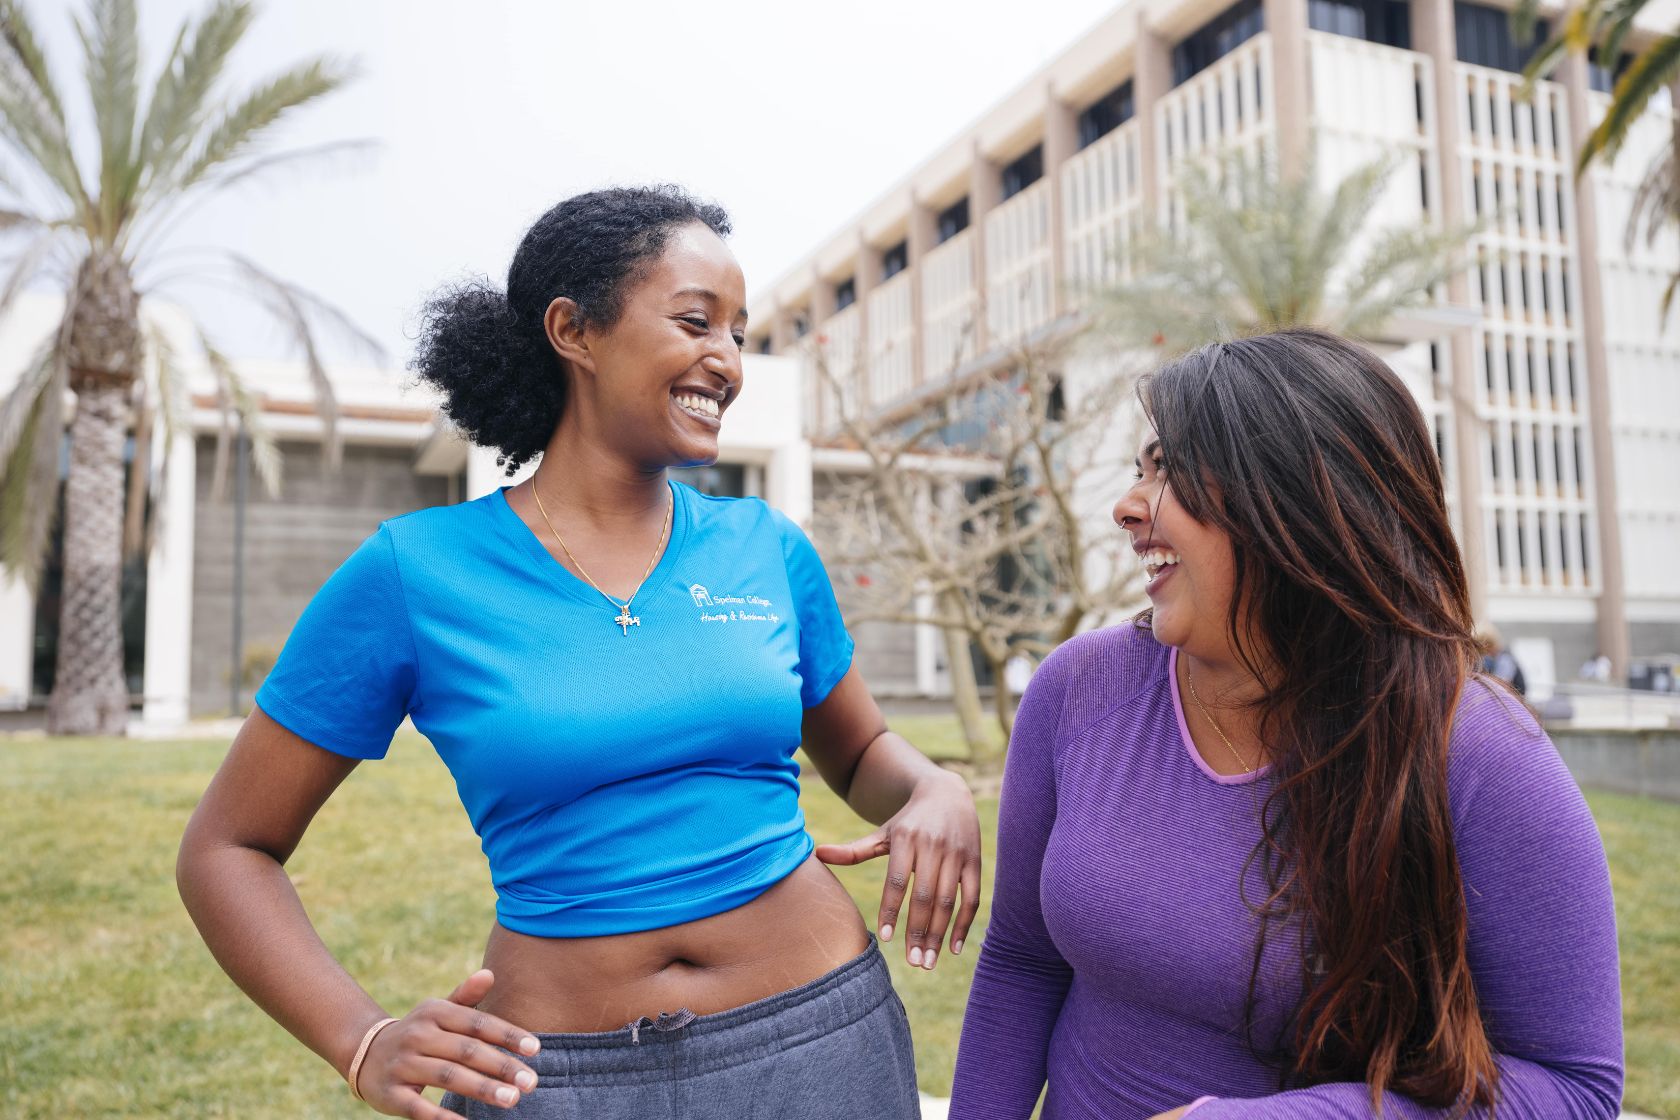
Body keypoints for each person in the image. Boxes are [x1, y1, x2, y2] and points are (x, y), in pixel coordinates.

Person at [177, 186, 981, 1120]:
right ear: (575, 331)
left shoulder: (765, 546)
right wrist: (361, 1040)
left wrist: (936, 788)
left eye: (740, 334)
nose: (727, 361)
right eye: (695, 322)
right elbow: (227, 848)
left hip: (818, 1044)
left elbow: (861, 752)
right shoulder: (416, 572)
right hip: (559, 1079)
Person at [948, 329, 1622, 1119]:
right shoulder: (1078, 688)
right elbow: (1023, 963)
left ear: (1291, 502)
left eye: (1168, 470)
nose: (1128, 506)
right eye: (1141, 470)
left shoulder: (1477, 751)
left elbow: (1577, 1088)